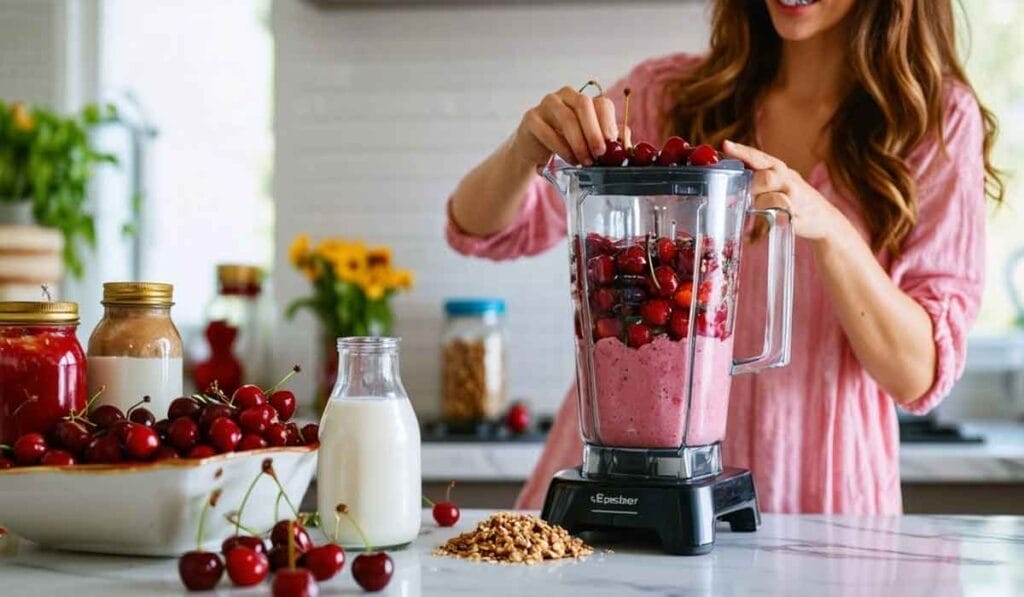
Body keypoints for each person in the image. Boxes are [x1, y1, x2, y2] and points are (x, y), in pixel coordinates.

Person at [445, 0, 1003, 514]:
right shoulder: (671, 96)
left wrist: (831, 229)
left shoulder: (932, 122)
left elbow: (918, 374)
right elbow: (481, 230)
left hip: (816, 493)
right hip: (633, 479)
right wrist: (526, 149)